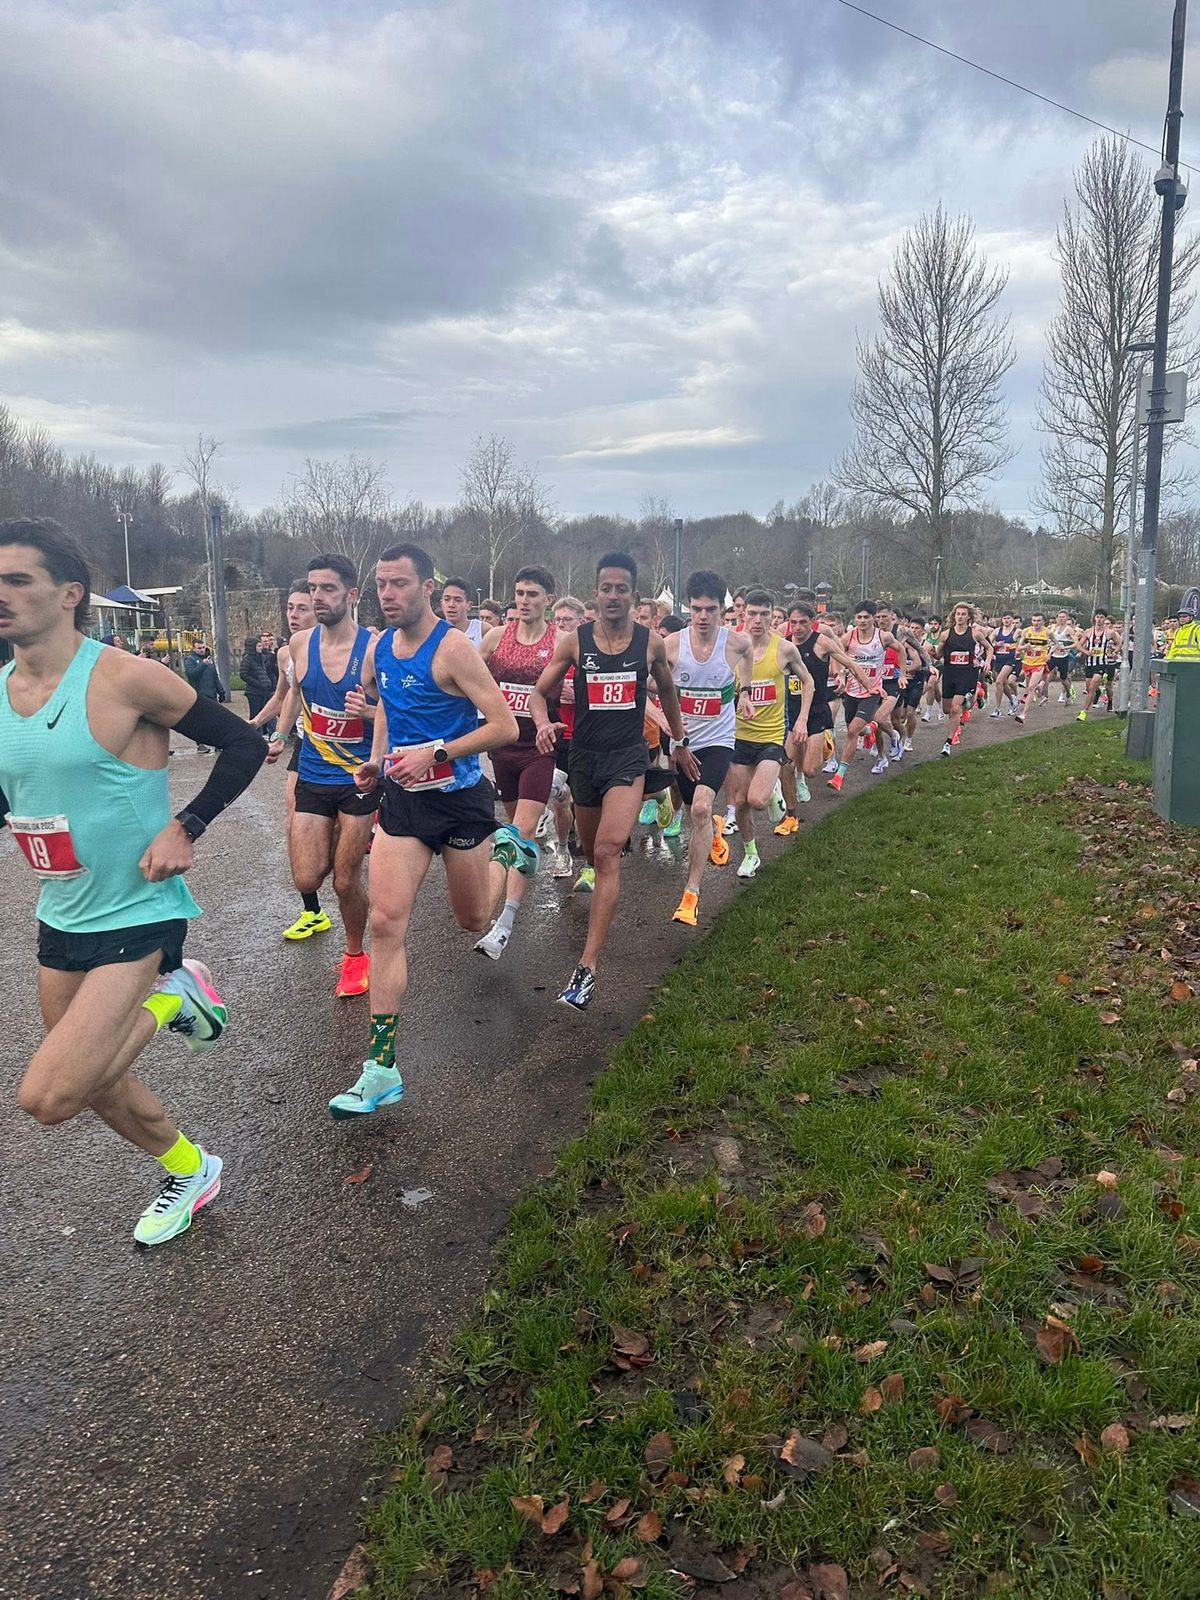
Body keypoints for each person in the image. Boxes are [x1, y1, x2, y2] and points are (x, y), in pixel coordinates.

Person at [0, 518, 266, 1245]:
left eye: (17, 580)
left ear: (69, 595)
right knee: (96, 1081)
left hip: (138, 910)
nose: (2, 594)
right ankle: (192, 1167)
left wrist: (187, 824)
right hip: (62, 914)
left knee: (50, 1095)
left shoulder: (123, 677)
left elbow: (245, 740)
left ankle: (174, 993)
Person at [328, 544, 527, 1117]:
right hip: (404, 804)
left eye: (399, 585)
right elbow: (388, 707)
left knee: (473, 920)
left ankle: (507, 850)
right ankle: (380, 1068)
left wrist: (436, 751)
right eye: (381, 585)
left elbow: (505, 726)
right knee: (387, 925)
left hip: (461, 801)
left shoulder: (454, 648)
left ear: (427, 588)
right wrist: (380, 757)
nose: (388, 595)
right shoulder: (379, 649)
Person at [531, 552, 697, 1010]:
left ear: (633, 596)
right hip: (584, 758)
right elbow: (537, 695)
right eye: (606, 588)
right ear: (596, 594)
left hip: (627, 758)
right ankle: (613, 842)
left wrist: (678, 740)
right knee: (590, 848)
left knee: (605, 853)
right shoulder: (574, 642)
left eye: (622, 588)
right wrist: (543, 723)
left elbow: (666, 691)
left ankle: (587, 967)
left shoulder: (649, 644)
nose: (613, 596)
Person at [267, 554, 380, 997]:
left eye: (328, 588)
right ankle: (344, 841)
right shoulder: (299, 644)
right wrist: (279, 734)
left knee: (345, 879)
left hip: (358, 779)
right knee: (306, 878)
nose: (318, 596)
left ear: (351, 596)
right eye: (313, 588)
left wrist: (367, 711)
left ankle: (355, 955)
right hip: (313, 772)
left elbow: (393, 712)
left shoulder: (374, 648)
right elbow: (295, 693)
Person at [473, 565, 559, 959]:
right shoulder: (495, 637)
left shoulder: (562, 642)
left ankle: (502, 924)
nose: (524, 601)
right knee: (518, 834)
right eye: (519, 593)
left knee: (515, 836)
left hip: (541, 749)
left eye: (532, 594)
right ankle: (553, 797)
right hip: (503, 747)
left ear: (548, 600)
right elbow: (466, 676)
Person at [663, 570, 756, 926]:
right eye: (697, 609)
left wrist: (744, 692)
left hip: (718, 741)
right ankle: (713, 830)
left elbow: (747, 657)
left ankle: (691, 894)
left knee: (701, 808)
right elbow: (647, 687)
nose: (703, 617)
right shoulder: (671, 645)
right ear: (689, 607)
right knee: (693, 811)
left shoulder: (736, 643)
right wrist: (670, 726)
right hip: (681, 743)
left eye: (711, 610)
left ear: (723, 609)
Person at [249, 585, 323, 934]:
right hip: (307, 745)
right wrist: (258, 727)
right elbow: (284, 696)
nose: (293, 615)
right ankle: (312, 909)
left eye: (302, 609)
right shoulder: (284, 654)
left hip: (344, 750)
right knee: (292, 812)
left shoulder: (334, 648)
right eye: (290, 608)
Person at [727, 589, 813, 878]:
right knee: (739, 802)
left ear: (772, 615)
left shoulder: (784, 649)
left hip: (771, 736)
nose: (758, 620)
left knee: (757, 801)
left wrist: (801, 720)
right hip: (738, 736)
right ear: (743, 614)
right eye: (752, 613)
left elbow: (809, 682)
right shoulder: (732, 646)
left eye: (765, 614)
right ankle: (751, 854)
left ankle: (774, 786)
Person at [787, 602, 872, 799]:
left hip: (817, 709)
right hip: (792, 709)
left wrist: (869, 686)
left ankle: (825, 744)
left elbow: (849, 662)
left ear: (813, 623)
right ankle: (798, 779)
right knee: (789, 762)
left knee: (811, 770)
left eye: (803, 623)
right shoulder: (785, 643)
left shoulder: (821, 642)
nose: (798, 628)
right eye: (793, 623)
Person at [827, 602, 908, 792]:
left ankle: (839, 776)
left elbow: (901, 651)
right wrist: (838, 674)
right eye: (859, 617)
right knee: (856, 730)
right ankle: (881, 755)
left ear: (873, 618)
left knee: (852, 731)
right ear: (855, 619)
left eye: (866, 617)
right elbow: (836, 655)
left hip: (872, 691)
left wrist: (902, 674)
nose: (862, 621)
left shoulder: (883, 637)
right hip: (851, 692)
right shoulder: (849, 637)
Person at [936, 604, 992, 756]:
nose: (960, 616)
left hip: (967, 673)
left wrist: (987, 661)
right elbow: (938, 655)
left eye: (963, 614)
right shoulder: (946, 634)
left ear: (969, 617)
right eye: (957, 614)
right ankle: (977, 693)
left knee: (955, 709)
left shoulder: (975, 634)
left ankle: (948, 742)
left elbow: (989, 647)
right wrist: (931, 652)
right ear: (954, 616)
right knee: (947, 709)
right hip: (949, 673)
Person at [182, 642, 225, 752]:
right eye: (199, 648)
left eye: (203, 648)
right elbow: (192, 675)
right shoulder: (190, 660)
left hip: (211, 694)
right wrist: (203, 665)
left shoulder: (209, 659)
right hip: (199, 695)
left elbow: (215, 677)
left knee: (216, 720)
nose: (201, 650)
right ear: (193, 648)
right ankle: (200, 744)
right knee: (201, 722)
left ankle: (217, 743)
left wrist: (221, 691)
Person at [1078, 610, 1118, 719]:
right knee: (1089, 687)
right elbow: (1079, 645)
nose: (1099, 619)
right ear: (1094, 618)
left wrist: (1114, 651)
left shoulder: (1110, 633)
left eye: (1102, 617)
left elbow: (1118, 643)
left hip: (1102, 663)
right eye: (1097, 617)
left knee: (1092, 686)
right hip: (1089, 662)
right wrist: (1086, 652)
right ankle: (1098, 691)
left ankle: (1084, 711)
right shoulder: (1088, 632)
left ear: (1105, 619)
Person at [1014, 614, 1051, 724]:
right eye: (1034, 620)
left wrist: (1050, 653)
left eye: (1039, 620)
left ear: (1043, 621)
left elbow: (1057, 644)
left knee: (1030, 688)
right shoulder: (1026, 631)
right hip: (1027, 662)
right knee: (1031, 688)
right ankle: (1040, 686)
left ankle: (1023, 714)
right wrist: (1025, 647)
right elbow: (1019, 647)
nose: (1036, 623)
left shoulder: (1048, 632)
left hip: (1039, 663)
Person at [240, 631, 279, 728]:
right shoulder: (248, 659)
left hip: (263, 690)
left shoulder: (261, 658)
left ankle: (263, 732)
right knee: (255, 714)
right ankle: (254, 733)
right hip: (254, 691)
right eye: (258, 646)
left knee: (263, 713)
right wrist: (257, 683)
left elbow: (264, 671)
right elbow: (244, 674)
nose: (261, 647)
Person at [440, 577, 484, 645]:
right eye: (447, 599)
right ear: (441, 604)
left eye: (458, 600)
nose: (451, 605)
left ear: (469, 605)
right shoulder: (432, 632)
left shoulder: (482, 630)